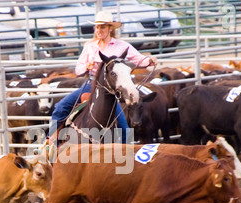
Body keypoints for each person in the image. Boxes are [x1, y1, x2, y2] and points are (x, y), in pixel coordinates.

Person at [48, 10, 158, 143]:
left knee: (124, 128)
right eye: (97, 27)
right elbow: (78, 69)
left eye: (103, 27)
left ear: (110, 29)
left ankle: (126, 155)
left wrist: (149, 60)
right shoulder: (90, 47)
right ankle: (52, 141)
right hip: (90, 85)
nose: (99, 30)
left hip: (111, 91)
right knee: (60, 108)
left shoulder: (122, 46)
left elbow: (139, 59)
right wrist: (87, 66)